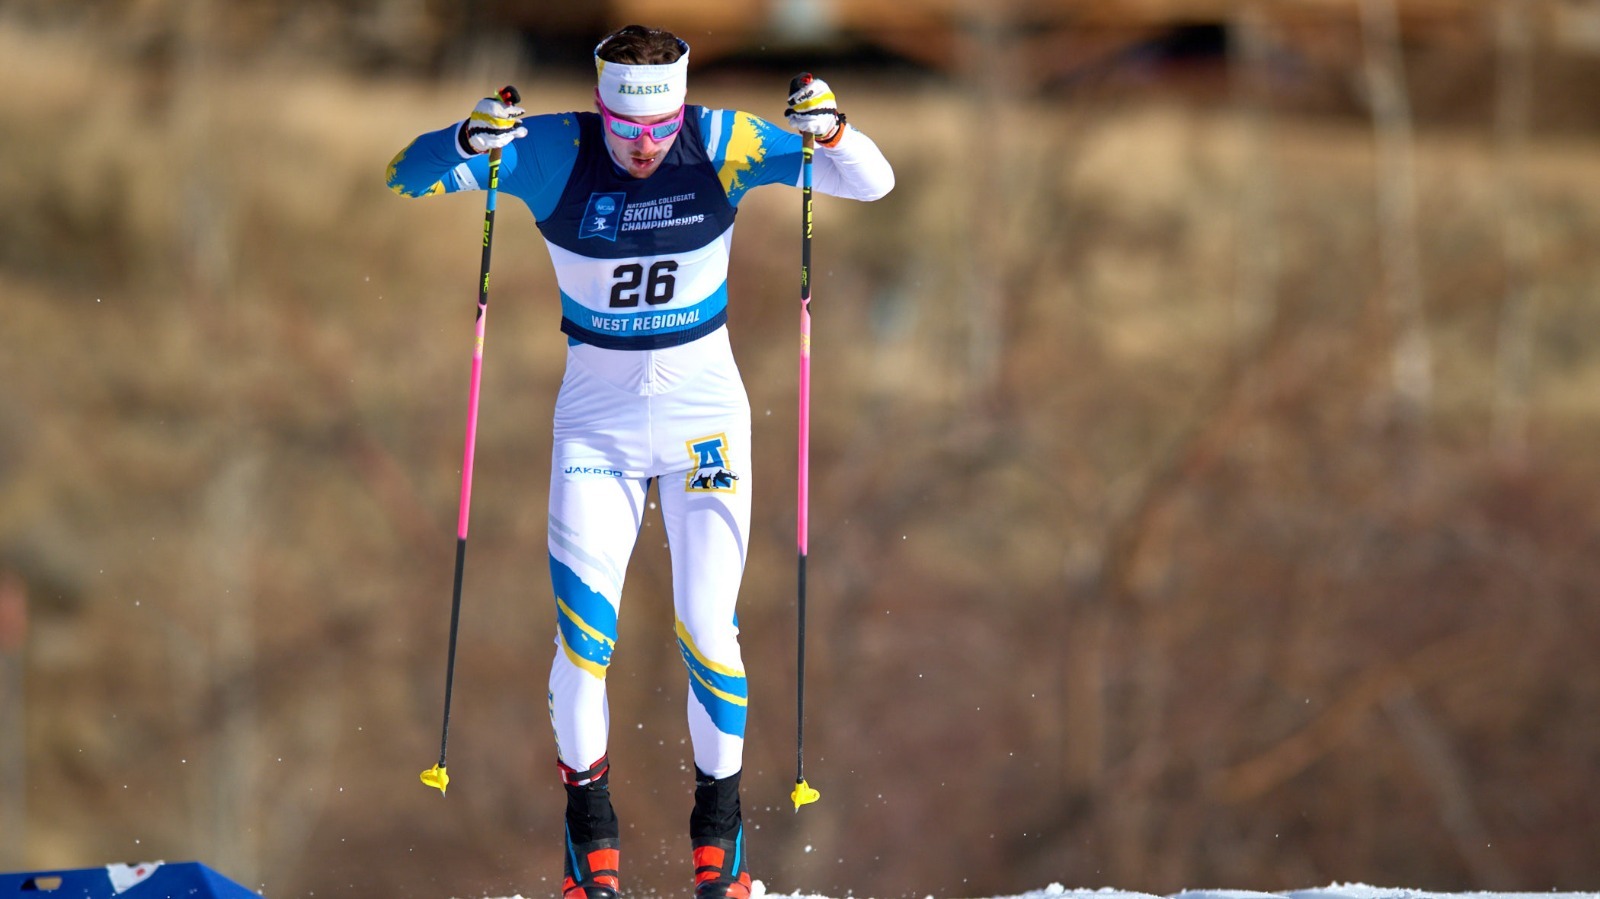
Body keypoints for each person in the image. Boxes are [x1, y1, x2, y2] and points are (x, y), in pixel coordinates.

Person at [385, 23, 894, 899]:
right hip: (598, 433)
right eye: (628, 131)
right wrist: (468, 143)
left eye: (659, 129)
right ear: (600, 108)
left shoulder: (722, 141)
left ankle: (719, 847)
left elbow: (871, 183)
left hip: (704, 421)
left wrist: (832, 131)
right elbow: (407, 173)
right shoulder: (552, 150)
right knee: (584, 644)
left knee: (709, 628)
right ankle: (592, 852)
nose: (647, 148)